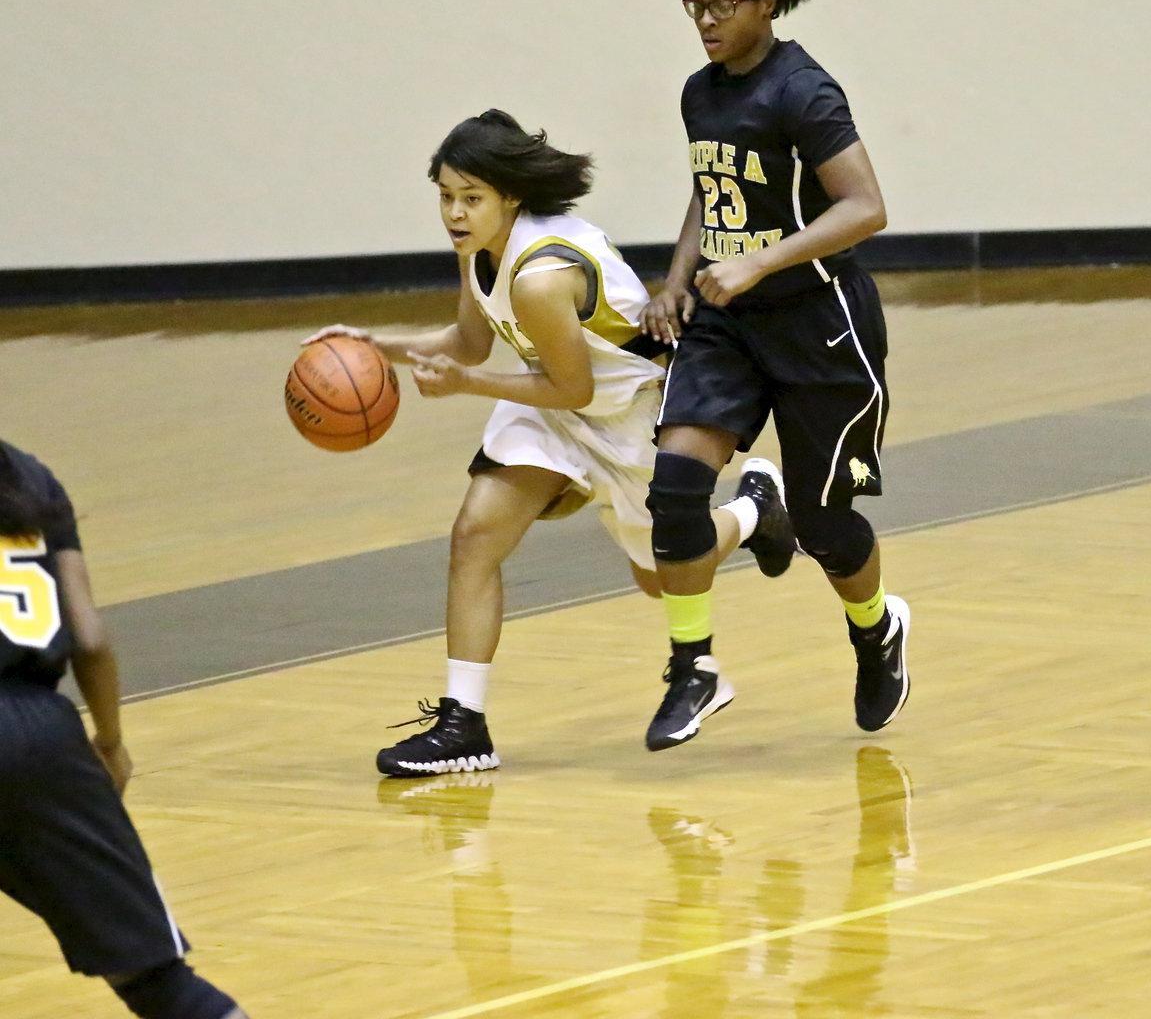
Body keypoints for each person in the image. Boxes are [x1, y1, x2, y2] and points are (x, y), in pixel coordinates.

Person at [304, 109, 794, 776]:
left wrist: (468, 384)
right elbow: (470, 343)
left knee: (661, 577)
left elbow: (572, 386)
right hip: (555, 405)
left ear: (511, 196)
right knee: (475, 535)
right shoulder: (480, 249)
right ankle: (463, 726)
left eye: (470, 197)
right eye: (446, 195)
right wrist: (371, 346)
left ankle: (754, 509)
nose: (454, 211)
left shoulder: (541, 274)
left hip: (629, 412)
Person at [639, 0, 911, 749]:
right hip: (727, 321)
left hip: (818, 325)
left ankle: (876, 630)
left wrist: (758, 262)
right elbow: (710, 189)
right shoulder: (700, 90)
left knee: (827, 528)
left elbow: (865, 208)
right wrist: (678, 277)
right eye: (694, 6)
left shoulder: (804, 91)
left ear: (766, 2)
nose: (705, 21)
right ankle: (695, 668)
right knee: (676, 488)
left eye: (721, 5)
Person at [0, 440, 248, 1019]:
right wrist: (109, 742)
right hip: (40, 741)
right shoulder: (25, 475)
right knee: (155, 979)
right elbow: (90, 637)